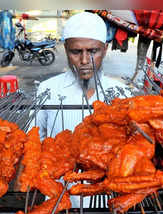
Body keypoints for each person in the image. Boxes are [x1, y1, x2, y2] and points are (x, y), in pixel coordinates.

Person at [35, 11, 131, 140]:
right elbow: (35, 139)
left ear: (105, 50)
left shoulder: (123, 93)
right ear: (66, 50)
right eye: (76, 51)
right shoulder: (47, 89)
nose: (84, 60)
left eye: (93, 51)